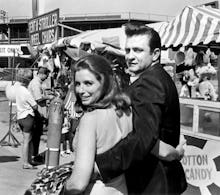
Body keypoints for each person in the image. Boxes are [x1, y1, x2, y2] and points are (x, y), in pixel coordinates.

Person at [64, 54, 185, 195]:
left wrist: (63, 188)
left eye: (88, 83)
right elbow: (154, 146)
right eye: (77, 84)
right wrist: (177, 152)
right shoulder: (126, 111)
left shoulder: (90, 120)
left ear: (104, 82)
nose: (80, 90)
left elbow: (78, 183)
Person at [95, 23, 187, 195]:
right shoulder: (156, 77)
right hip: (158, 181)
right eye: (128, 50)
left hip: (152, 183)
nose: (130, 56)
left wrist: (100, 166)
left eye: (138, 50)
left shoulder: (149, 83)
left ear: (155, 54)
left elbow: (143, 139)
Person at [28, 66, 54, 165]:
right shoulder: (35, 83)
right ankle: (34, 155)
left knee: (37, 135)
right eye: (46, 75)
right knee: (36, 135)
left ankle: (34, 154)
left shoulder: (38, 83)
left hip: (38, 112)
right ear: (42, 74)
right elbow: (38, 98)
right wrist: (48, 97)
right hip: (36, 113)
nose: (47, 77)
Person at [15, 69, 38, 169]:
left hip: (20, 116)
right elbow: (35, 106)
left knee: (27, 140)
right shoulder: (26, 92)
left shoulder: (18, 89)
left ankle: (29, 160)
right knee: (27, 141)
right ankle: (26, 162)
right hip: (27, 116)